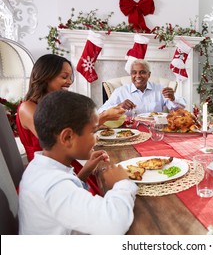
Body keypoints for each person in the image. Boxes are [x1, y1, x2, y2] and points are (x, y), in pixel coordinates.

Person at [18, 90, 137, 234]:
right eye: (93, 132)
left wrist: (84, 172)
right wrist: (122, 183)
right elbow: (115, 224)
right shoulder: (53, 186)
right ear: (67, 137)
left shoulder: (39, 167)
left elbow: (67, 196)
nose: (97, 138)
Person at [16, 54, 125, 195]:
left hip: (67, 166)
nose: (69, 82)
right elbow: (59, 139)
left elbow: (75, 132)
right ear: (46, 76)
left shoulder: (54, 105)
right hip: (49, 173)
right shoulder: (27, 107)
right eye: (64, 77)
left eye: (70, 77)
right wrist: (103, 117)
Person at [98, 59, 186, 115]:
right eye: (134, 72)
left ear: (149, 75)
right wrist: (119, 106)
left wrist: (173, 98)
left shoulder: (160, 89)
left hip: (154, 130)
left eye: (142, 72)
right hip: (129, 132)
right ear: (131, 75)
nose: (138, 76)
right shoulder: (120, 91)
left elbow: (181, 109)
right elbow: (100, 112)